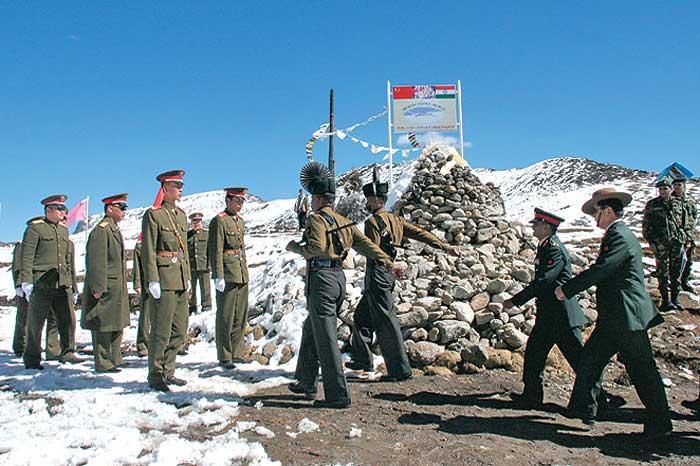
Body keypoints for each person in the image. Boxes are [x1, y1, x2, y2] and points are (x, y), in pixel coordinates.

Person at [285, 161, 405, 409]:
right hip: (339, 279)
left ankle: (337, 394)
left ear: (317, 198)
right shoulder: (344, 222)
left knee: (326, 336)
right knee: (312, 327)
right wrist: (387, 263)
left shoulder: (317, 220)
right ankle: (305, 381)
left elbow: (316, 248)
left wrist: (296, 247)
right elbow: (367, 247)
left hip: (321, 279)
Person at [555, 187, 672, 439]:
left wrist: (568, 289)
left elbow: (603, 269)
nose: (593, 218)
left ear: (608, 211)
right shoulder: (617, 234)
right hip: (615, 316)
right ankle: (587, 409)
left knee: (641, 369)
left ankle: (660, 422)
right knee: (589, 361)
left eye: (595, 212)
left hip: (626, 315)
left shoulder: (619, 235)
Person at [347, 169, 459, 381]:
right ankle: (361, 362)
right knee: (361, 317)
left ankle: (400, 371)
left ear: (377, 200)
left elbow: (372, 249)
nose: (367, 203)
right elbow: (421, 233)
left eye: (370, 199)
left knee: (385, 321)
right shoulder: (396, 220)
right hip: (387, 274)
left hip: (379, 271)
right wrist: (444, 246)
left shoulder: (372, 223)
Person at [505, 209, 612, 409]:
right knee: (534, 356)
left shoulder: (553, 248)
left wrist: (516, 300)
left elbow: (545, 281)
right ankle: (531, 397)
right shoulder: (545, 246)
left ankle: (601, 401)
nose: (533, 227)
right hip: (549, 316)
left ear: (546, 227)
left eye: (536, 224)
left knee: (580, 361)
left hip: (562, 316)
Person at [141, 170, 191, 391]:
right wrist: (152, 279)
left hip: (179, 277)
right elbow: (149, 250)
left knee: (179, 329)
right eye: (176, 185)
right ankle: (156, 374)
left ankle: (169, 370)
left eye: (181, 185)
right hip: (163, 277)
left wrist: (187, 276)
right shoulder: (154, 215)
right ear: (164, 189)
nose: (180, 188)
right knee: (161, 330)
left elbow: (184, 250)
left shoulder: (181, 215)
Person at [20, 195, 82, 370]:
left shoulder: (63, 231)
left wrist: (72, 285)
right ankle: (32, 359)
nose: (64, 213)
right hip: (41, 283)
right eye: (60, 209)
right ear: (49, 210)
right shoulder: (35, 229)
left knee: (67, 320)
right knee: (35, 323)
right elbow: (27, 256)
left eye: (65, 210)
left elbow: (67, 261)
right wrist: (26, 281)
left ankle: (67, 352)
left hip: (61, 284)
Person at [81, 194, 130, 373]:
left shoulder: (113, 229)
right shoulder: (101, 230)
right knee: (102, 324)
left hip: (116, 286)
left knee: (117, 322)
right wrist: (98, 287)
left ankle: (114, 358)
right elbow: (96, 261)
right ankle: (102, 362)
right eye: (121, 207)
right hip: (105, 286)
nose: (124, 211)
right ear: (110, 209)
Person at [208, 188, 250, 369]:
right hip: (227, 272)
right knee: (226, 315)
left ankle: (237, 351)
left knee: (240, 315)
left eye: (242, 201)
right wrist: (218, 275)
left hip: (240, 272)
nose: (240, 204)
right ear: (228, 200)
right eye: (237, 200)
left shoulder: (239, 221)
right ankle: (224, 355)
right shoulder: (220, 221)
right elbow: (215, 250)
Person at [642, 176, 687, 311]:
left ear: (670, 189)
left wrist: (685, 238)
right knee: (662, 272)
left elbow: (685, 222)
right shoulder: (652, 204)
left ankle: (675, 299)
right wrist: (651, 241)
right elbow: (646, 224)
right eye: (660, 189)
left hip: (676, 243)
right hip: (660, 243)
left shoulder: (679, 203)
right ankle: (666, 301)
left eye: (665, 188)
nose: (662, 191)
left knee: (676, 272)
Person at [671, 176, 697, 292]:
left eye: (679, 185)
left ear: (684, 186)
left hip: (690, 235)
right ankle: (674, 283)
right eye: (675, 185)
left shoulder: (690, 201)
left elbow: (694, 217)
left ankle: (685, 281)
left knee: (689, 259)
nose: (677, 187)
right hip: (676, 236)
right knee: (676, 261)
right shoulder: (670, 200)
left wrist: (690, 233)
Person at [187, 212, 212, 314]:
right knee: (191, 288)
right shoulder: (187, 235)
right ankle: (192, 307)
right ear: (191, 222)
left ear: (201, 222)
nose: (196, 223)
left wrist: (209, 264)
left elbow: (210, 250)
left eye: (198, 221)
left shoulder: (207, 234)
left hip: (203, 265)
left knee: (205, 288)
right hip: (191, 266)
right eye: (194, 221)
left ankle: (206, 306)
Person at [133, 233, 150, 357]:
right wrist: (137, 284)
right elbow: (137, 267)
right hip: (147, 284)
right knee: (146, 316)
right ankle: (142, 344)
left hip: (165, 283)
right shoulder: (140, 246)